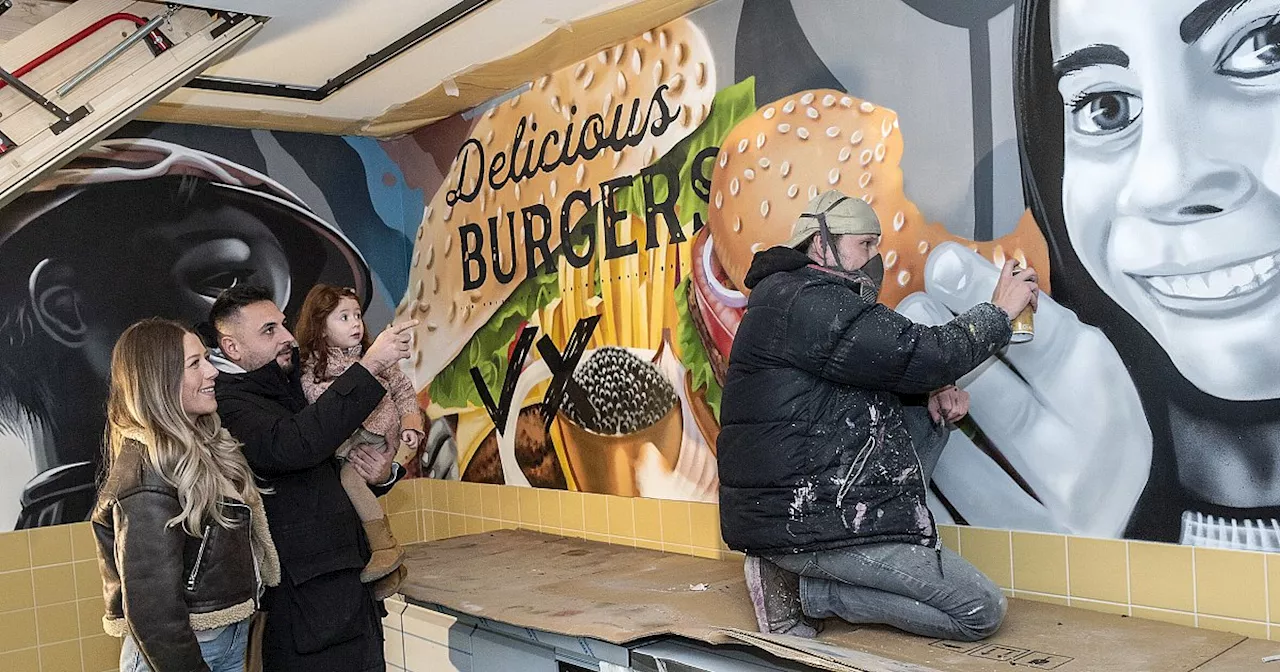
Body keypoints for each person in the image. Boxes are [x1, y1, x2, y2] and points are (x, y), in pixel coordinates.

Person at [0, 137, 373, 531]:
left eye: (284, 315)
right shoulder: (143, 492)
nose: (287, 341)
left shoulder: (218, 442)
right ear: (64, 307)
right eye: (221, 279)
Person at [717, 190, 1039, 641]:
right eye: (864, 244)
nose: (874, 257)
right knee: (979, 610)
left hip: (811, 508)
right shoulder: (808, 299)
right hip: (804, 521)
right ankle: (807, 591)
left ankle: (831, 568)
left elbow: (871, 379)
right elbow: (924, 352)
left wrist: (926, 393)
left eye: (876, 245)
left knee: (934, 416)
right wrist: (999, 312)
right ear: (821, 243)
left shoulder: (797, 297)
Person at [206, 284, 416, 672]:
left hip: (350, 601)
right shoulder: (231, 403)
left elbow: (333, 453)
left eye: (284, 326)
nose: (287, 338)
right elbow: (296, 445)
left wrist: (379, 473)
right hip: (306, 619)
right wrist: (368, 367)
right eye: (269, 331)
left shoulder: (290, 381)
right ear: (232, 347)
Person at [93, 318, 280, 672]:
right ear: (160, 382)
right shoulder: (147, 476)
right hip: (180, 653)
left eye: (206, 359)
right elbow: (153, 613)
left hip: (225, 637)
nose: (213, 372)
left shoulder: (203, 448)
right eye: (196, 364)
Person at [297, 284, 424, 587]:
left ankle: (384, 548)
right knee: (344, 495)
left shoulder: (373, 357)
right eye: (343, 317)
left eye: (357, 315)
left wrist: (410, 423)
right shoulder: (312, 368)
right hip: (346, 444)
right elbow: (318, 400)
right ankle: (388, 568)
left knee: (350, 482)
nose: (356, 323)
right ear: (321, 328)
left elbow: (404, 390)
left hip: (376, 436)